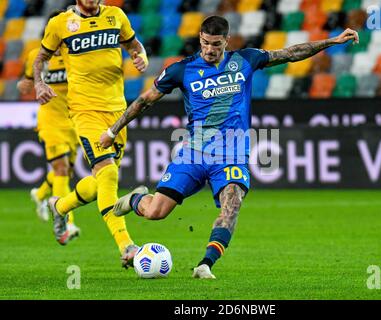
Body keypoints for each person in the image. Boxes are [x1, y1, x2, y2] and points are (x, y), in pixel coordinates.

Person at [100, 16, 359, 278]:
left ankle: (205, 264)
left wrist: (333, 40)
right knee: (155, 212)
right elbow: (145, 100)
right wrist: (112, 130)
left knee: (232, 205)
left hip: (232, 155)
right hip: (194, 153)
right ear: (199, 38)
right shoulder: (182, 69)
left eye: (215, 44)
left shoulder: (246, 59)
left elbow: (290, 53)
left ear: (227, 41)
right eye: (204, 43)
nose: (209, 49)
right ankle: (135, 199)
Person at [33, 0, 148, 268]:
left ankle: (60, 207)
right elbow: (40, 58)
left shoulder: (116, 16)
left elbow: (134, 45)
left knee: (100, 185)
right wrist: (39, 83)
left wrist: (140, 56)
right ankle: (126, 246)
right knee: (108, 173)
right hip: (85, 110)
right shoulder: (60, 23)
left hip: (118, 112)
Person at [17, 10, 80, 242]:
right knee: (62, 170)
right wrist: (26, 84)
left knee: (65, 171)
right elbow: (27, 79)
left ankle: (40, 193)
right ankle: (67, 223)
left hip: (74, 121)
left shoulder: (75, 55)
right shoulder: (37, 56)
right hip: (50, 120)